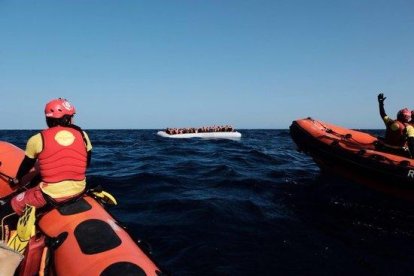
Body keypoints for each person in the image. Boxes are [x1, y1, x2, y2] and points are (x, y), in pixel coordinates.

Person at [2, 98, 92, 218]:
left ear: (48, 119)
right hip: (79, 189)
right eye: (72, 116)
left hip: (51, 195)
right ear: (67, 118)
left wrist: (17, 179)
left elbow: (26, 166)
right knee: (39, 177)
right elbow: (87, 163)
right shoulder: (83, 135)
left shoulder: (37, 139)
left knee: (4, 211)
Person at [377, 93, 414, 157]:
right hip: (399, 151)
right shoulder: (409, 128)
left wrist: (381, 103)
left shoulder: (389, 121)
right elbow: (411, 143)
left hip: (386, 148)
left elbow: (382, 113)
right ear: (408, 117)